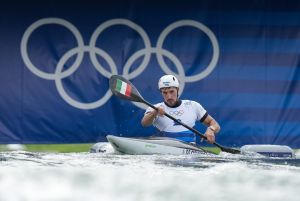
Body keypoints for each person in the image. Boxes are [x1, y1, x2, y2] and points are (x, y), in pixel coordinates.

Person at [141, 74, 220, 144]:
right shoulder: (155, 108)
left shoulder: (193, 105)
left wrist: (211, 129)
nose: (169, 96)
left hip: (189, 155)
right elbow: (144, 123)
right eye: (165, 93)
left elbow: (215, 124)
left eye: (172, 91)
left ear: (178, 90)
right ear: (161, 92)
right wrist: (154, 113)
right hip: (165, 154)